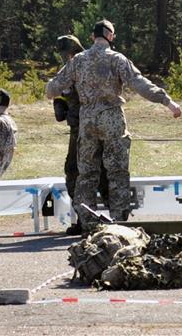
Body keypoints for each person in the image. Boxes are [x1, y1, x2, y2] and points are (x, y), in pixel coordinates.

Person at [46, 19, 182, 230]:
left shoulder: (77, 61)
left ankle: (88, 223)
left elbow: (53, 88)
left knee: (87, 174)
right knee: (116, 171)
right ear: (110, 36)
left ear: (92, 37)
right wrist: (167, 101)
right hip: (111, 118)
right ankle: (118, 223)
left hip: (87, 119)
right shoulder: (117, 59)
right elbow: (140, 83)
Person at [53, 34, 111, 235]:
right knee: (73, 171)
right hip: (77, 129)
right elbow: (60, 94)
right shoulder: (66, 71)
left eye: (68, 53)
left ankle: (112, 219)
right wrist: (60, 103)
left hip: (94, 126)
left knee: (102, 170)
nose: (66, 57)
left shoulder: (87, 66)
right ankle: (84, 218)